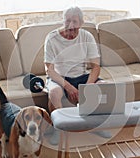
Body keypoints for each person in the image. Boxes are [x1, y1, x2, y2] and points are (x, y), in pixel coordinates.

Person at [44, 6, 111, 145]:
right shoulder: (52, 37)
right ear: (63, 21)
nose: (71, 27)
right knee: (55, 92)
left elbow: (95, 67)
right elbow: (49, 70)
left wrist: (86, 88)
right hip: (59, 76)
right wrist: (68, 87)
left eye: (75, 23)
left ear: (81, 23)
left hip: (81, 76)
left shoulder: (87, 36)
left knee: (104, 87)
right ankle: (58, 129)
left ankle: (96, 125)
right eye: (68, 21)